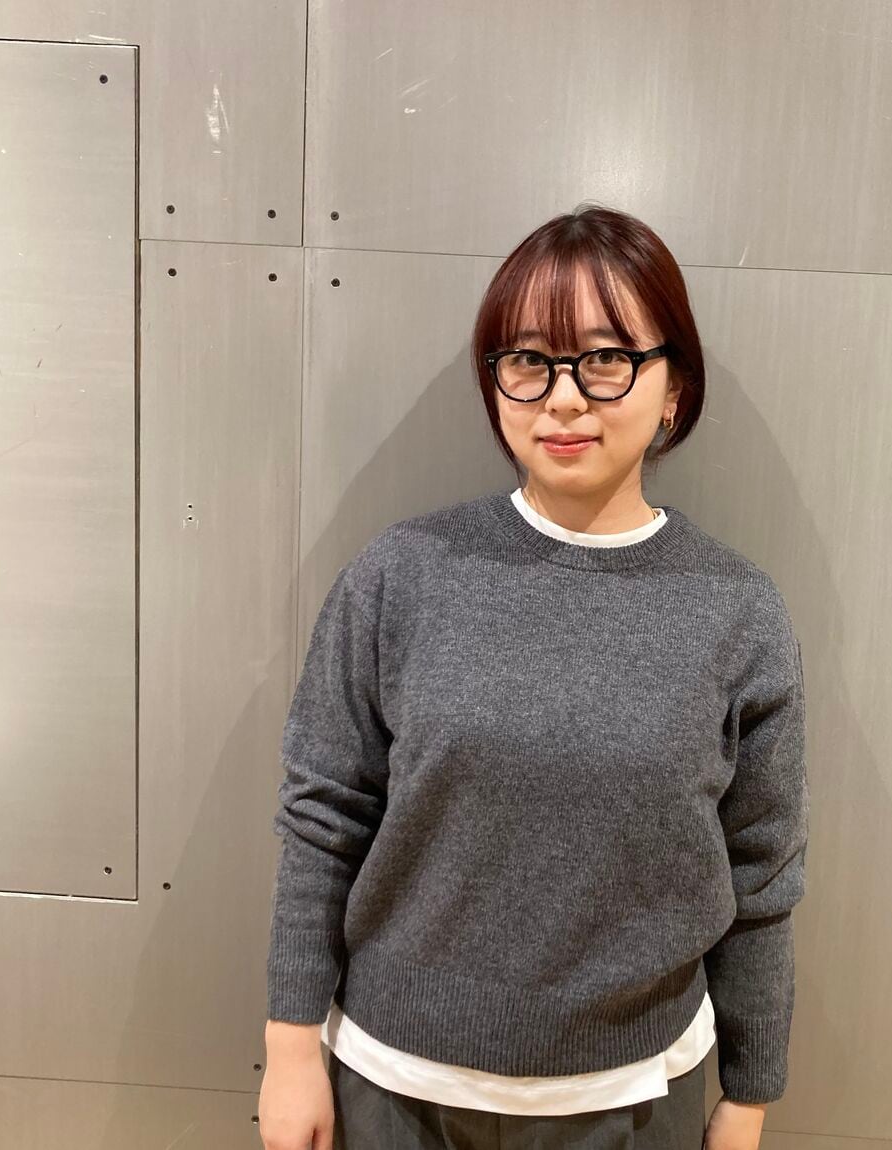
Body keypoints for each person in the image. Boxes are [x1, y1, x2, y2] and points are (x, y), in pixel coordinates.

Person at [258, 204, 809, 1150]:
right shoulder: (401, 575)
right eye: (528, 361)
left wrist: (750, 1096)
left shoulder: (738, 611)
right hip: (393, 1088)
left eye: (606, 359)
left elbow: (763, 874)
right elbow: (323, 819)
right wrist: (290, 1051)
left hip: (634, 1098)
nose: (563, 399)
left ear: (673, 388)